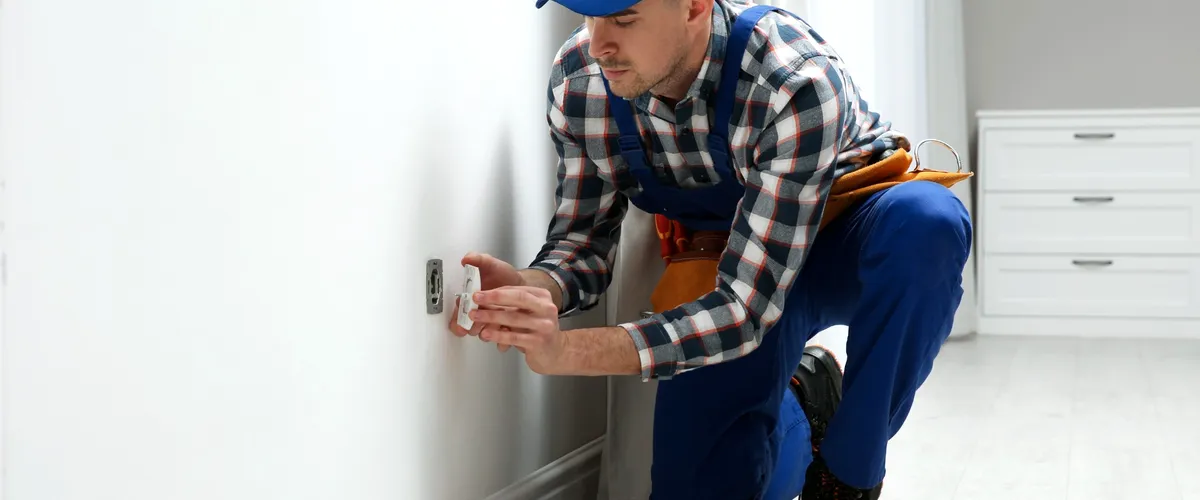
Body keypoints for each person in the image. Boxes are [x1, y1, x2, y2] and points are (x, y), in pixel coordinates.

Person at [448, 0, 973, 498]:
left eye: (623, 18)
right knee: (703, 482)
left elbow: (747, 311)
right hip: (732, 265)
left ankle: (849, 471)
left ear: (694, 6)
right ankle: (803, 403)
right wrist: (534, 288)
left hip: (845, 245)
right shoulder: (581, 83)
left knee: (927, 224)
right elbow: (583, 243)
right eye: (587, 17)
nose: (599, 43)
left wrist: (567, 352)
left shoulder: (790, 79)